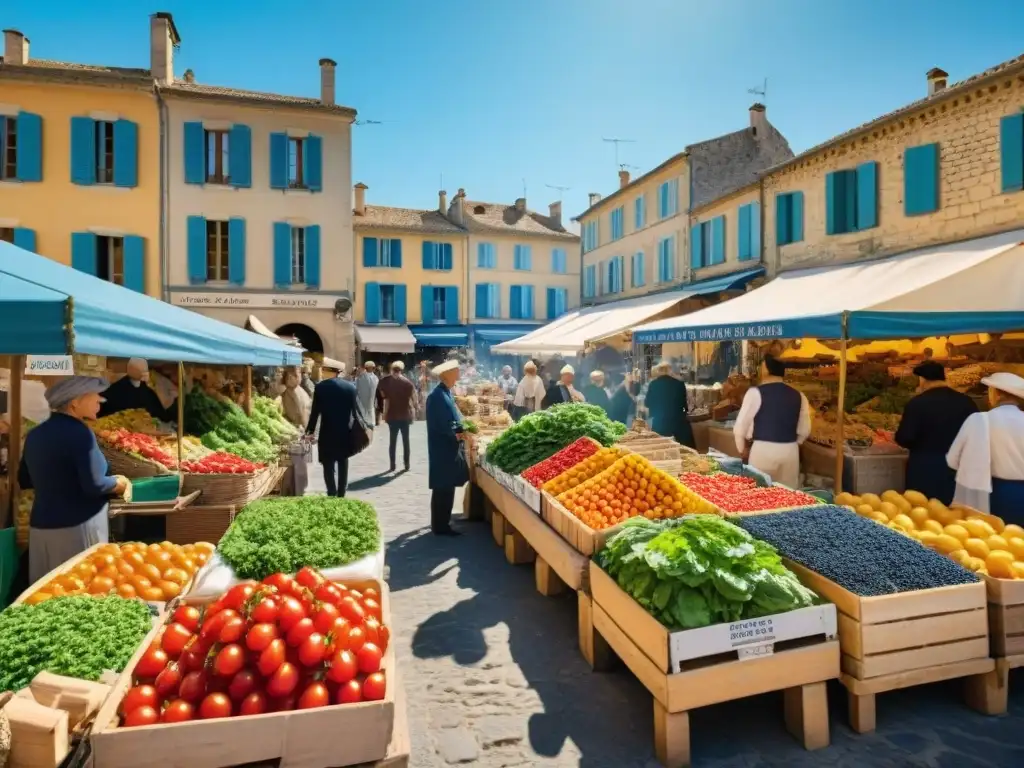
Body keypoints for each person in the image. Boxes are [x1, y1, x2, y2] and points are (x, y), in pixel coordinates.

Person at [19, 377, 129, 582]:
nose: (100, 400)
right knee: (79, 590)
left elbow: (24, 479)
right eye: (94, 395)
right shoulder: (81, 433)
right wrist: (118, 484)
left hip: (41, 528)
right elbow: (95, 484)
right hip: (78, 527)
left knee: (45, 594)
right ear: (74, 402)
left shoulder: (35, 434)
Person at [895, 361, 978, 505]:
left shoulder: (917, 404)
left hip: (925, 467)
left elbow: (905, 437)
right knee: (957, 515)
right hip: (959, 468)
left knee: (922, 511)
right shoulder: (967, 402)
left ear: (922, 379)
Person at [947, 372, 1024, 520]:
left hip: (996, 494)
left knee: (997, 539)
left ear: (996, 394)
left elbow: (953, 460)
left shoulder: (979, 420)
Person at [733, 353, 811, 488]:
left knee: (759, 495)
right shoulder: (799, 395)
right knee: (788, 497)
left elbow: (740, 427)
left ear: (766, 369)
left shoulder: (755, 393)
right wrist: (794, 443)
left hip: (762, 450)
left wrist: (742, 449)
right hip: (790, 452)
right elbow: (805, 429)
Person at [426, 359, 471, 536]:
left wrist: (461, 428)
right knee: (443, 487)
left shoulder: (445, 392)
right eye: (457, 371)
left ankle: (442, 523)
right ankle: (441, 526)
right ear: (448, 374)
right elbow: (442, 423)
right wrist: (457, 433)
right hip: (442, 447)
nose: (459, 374)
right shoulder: (437, 396)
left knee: (446, 486)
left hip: (446, 446)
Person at [306, 370, 362, 497]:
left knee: (328, 462)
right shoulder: (350, 387)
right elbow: (356, 412)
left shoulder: (320, 388)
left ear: (328, 371)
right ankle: (341, 492)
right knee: (343, 460)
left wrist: (310, 431)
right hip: (344, 431)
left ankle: (331, 491)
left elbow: (315, 413)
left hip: (327, 431)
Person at [98, 358, 176, 422]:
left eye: (145, 369)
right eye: (141, 369)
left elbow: (161, 415)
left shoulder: (148, 392)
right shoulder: (116, 390)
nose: (144, 372)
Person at [645, 362, 697, 448]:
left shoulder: (653, 384)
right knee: (687, 448)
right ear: (670, 371)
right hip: (678, 424)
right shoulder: (679, 384)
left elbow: (647, 403)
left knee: (660, 449)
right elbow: (684, 405)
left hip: (659, 425)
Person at [379, 360, 416, 472]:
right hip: (405, 414)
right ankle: (407, 464)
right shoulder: (408, 383)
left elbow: (385, 399)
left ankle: (392, 465)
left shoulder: (385, 382)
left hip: (392, 415)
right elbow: (412, 400)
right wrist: (413, 413)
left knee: (392, 441)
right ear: (401, 370)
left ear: (391, 369)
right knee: (406, 441)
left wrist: (384, 414)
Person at [356, 361, 379, 427]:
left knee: (370, 408)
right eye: (372, 367)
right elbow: (358, 386)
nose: (374, 369)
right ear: (368, 368)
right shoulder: (361, 376)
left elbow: (376, 386)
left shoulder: (375, 377)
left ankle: (370, 423)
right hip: (363, 397)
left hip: (371, 397)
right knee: (363, 409)